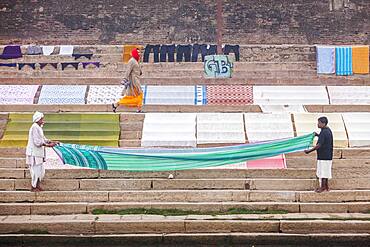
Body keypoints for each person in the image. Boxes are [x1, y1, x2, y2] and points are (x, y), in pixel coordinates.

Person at [26, 112, 59, 192]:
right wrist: (48, 145)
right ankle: (34, 187)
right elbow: (37, 142)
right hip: (34, 153)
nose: (43, 120)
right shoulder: (34, 127)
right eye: (41, 119)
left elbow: (43, 139)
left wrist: (52, 142)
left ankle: (37, 185)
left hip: (38, 153)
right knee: (35, 171)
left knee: (40, 171)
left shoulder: (39, 128)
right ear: (37, 120)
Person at [304, 116, 333, 193]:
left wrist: (309, 151)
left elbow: (319, 145)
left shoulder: (324, 132)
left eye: (319, 123)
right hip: (327, 155)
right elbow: (323, 139)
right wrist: (317, 135)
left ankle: (322, 187)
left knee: (323, 172)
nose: (318, 124)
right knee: (326, 171)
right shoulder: (327, 130)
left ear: (323, 123)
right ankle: (326, 187)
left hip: (324, 155)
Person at [112, 48, 143, 113]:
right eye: (137, 52)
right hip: (134, 81)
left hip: (137, 79)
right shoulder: (131, 61)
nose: (139, 53)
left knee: (136, 96)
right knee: (140, 94)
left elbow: (138, 71)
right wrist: (125, 79)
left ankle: (116, 104)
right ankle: (117, 103)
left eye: (139, 52)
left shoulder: (136, 60)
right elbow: (128, 71)